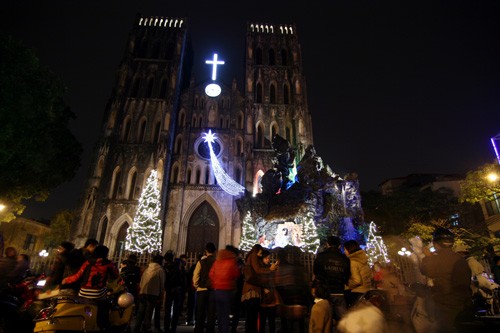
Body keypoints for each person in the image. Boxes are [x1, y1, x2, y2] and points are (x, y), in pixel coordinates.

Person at [420, 227, 472, 332]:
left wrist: (427, 256)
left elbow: (424, 269)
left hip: (446, 304)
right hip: (463, 302)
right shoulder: (459, 258)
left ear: (435, 243)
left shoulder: (435, 259)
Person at [62, 245, 120, 329]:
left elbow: (77, 276)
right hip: (98, 294)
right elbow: (115, 276)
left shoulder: (87, 263)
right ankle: (103, 325)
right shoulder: (108, 264)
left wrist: (66, 280)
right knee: (105, 306)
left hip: (84, 293)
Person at [313, 235, 350, 323]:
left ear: (327, 244)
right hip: (339, 291)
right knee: (343, 321)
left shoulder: (321, 256)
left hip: (324, 291)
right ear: (339, 246)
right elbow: (347, 274)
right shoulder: (344, 258)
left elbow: (316, 272)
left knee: (324, 321)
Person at [241, 244, 278, 333]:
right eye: (260, 253)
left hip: (251, 289)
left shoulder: (250, 258)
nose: (261, 255)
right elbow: (257, 270)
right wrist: (270, 269)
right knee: (252, 316)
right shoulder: (253, 255)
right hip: (252, 290)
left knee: (251, 317)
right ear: (257, 250)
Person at [209, 245, 241, 333]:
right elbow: (236, 274)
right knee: (225, 314)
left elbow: (211, 274)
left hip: (217, 290)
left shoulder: (217, 261)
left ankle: (221, 330)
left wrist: (216, 282)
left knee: (220, 314)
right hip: (227, 290)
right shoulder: (231, 261)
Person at [134, 254, 165, 333]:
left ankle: (137, 327)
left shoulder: (147, 269)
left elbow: (141, 281)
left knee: (141, 311)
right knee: (149, 311)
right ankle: (147, 327)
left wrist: (141, 290)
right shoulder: (160, 270)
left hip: (143, 292)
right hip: (153, 293)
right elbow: (162, 283)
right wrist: (161, 294)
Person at [193, 242, 217, 333]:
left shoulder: (201, 262)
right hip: (213, 290)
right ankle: (210, 330)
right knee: (211, 313)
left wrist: (196, 286)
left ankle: (199, 329)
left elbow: (196, 275)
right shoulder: (217, 262)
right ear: (214, 251)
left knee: (200, 313)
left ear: (206, 251)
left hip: (201, 290)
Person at [343, 240, 373, 308]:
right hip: (367, 291)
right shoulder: (364, 260)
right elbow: (371, 275)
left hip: (357, 292)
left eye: (345, 249)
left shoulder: (352, 262)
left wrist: (346, 286)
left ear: (349, 249)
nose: (344, 252)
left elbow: (357, 281)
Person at [258, 249, 279, 333]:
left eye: (269, 258)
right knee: (263, 320)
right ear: (262, 258)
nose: (268, 260)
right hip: (264, 298)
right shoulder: (261, 268)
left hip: (271, 296)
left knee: (271, 320)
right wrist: (263, 288)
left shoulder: (270, 267)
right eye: (266, 258)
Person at [163, 251, 184, 333]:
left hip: (169, 289)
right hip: (177, 288)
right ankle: (173, 327)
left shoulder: (165, 268)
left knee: (167, 310)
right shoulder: (177, 266)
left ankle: (166, 328)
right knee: (175, 310)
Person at [185, 253, 202, 326]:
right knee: (196, 305)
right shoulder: (200, 266)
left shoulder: (193, 266)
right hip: (196, 288)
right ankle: (195, 319)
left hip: (193, 288)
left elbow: (189, 277)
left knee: (192, 305)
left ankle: (190, 319)